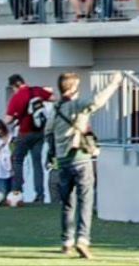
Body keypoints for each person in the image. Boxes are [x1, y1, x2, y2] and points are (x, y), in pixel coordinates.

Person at [49, 69, 124, 259]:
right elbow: (96, 102)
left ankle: (66, 241)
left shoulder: (55, 109)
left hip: (62, 161)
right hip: (81, 159)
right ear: (73, 87)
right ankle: (83, 240)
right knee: (86, 200)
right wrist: (113, 84)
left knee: (67, 203)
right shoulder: (76, 105)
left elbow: (47, 133)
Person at [6, 73, 53, 204]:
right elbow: (54, 98)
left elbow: (8, 119)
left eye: (12, 88)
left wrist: (11, 119)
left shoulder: (16, 97)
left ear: (15, 85)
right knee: (37, 163)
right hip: (39, 133)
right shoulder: (36, 90)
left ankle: (17, 191)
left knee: (17, 159)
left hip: (25, 133)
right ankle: (40, 195)